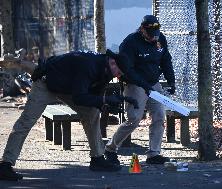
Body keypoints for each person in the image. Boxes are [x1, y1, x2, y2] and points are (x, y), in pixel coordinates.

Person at [0, 49, 150, 181]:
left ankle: (97, 159)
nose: (119, 76)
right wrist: (104, 100)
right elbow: (80, 97)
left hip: (68, 87)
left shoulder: (107, 68)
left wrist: (109, 101)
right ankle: (6, 164)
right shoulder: (89, 66)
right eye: (119, 73)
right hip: (46, 84)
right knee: (26, 121)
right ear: (112, 63)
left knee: (92, 113)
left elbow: (95, 95)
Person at [104, 15, 176, 165]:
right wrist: (143, 85)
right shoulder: (131, 42)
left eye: (155, 34)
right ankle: (110, 149)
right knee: (134, 119)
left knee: (159, 116)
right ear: (142, 29)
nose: (153, 38)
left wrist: (171, 80)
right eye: (150, 35)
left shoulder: (160, 38)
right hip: (135, 84)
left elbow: (165, 60)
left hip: (153, 83)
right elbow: (127, 69)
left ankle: (153, 154)